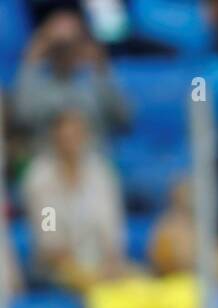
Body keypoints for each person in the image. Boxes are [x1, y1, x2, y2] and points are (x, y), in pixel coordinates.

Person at [20, 107, 128, 290]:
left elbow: (112, 227)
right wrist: (82, 273)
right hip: (55, 270)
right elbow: (49, 240)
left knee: (136, 281)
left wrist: (110, 264)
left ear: (85, 136)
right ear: (54, 139)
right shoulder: (39, 179)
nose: (70, 142)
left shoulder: (100, 172)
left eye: (76, 135)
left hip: (102, 266)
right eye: (65, 138)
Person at [13, 8, 131, 143]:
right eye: (59, 46)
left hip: (94, 157)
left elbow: (123, 119)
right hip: (47, 158)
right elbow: (21, 117)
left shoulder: (95, 83)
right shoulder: (37, 86)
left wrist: (101, 68)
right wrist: (30, 63)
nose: (66, 52)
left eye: (73, 43)